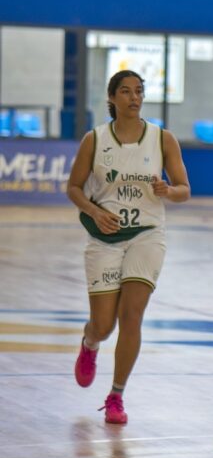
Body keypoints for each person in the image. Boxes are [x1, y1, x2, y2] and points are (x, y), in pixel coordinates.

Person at [67, 70, 191, 424]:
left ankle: (116, 396)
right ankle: (90, 344)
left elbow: (185, 189)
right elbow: (74, 188)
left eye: (139, 91)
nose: (134, 97)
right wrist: (95, 211)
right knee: (104, 324)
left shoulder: (163, 139)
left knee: (132, 315)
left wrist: (169, 190)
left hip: (147, 234)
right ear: (112, 98)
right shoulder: (95, 140)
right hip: (104, 237)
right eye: (125, 91)